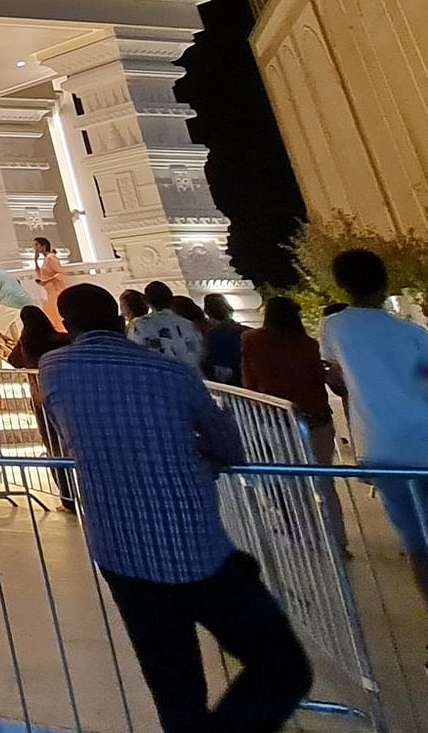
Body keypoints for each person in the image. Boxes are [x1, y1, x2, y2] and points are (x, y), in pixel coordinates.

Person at [41, 282, 313, 731]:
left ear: (68, 326)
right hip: (192, 544)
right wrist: (192, 452)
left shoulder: (53, 369)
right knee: (283, 667)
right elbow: (228, 447)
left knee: (173, 686)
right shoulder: (172, 374)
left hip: (118, 545)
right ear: (120, 319)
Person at [320, 250, 428, 623]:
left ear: (342, 284)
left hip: (380, 446)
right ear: (385, 281)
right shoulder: (412, 333)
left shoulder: (335, 328)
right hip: (423, 437)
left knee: (414, 539)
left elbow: (336, 376)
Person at [242, 296, 346, 549]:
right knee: (324, 480)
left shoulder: (252, 342)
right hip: (316, 417)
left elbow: (249, 382)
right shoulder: (306, 344)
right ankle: (337, 540)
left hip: (276, 420)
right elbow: (318, 378)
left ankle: (309, 537)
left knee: (294, 483)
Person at [9, 306, 75, 511]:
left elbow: (13, 361)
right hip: (68, 395)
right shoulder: (61, 339)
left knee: (54, 447)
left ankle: (67, 496)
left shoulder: (27, 344)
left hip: (41, 399)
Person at [128, 280, 204, 369]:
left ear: (147, 301)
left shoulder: (140, 324)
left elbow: (136, 351)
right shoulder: (189, 324)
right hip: (190, 372)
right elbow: (200, 353)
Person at [199, 293, 246, 385]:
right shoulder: (244, 330)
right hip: (242, 374)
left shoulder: (211, 333)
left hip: (225, 378)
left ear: (207, 311)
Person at [33, 236, 67, 329]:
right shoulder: (45, 259)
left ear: (43, 246)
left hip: (55, 290)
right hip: (48, 290)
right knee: (50, 312)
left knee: (56, 312)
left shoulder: (51, 258)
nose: (35, 248)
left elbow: (60, 273)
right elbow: (40, 274)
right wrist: (35, 261)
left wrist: (46, 281)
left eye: (36, 245)